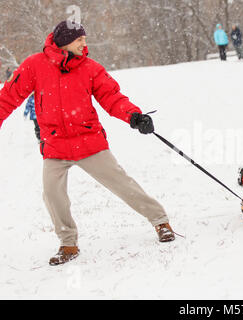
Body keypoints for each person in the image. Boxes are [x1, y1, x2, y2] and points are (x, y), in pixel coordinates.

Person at [0, 20, 175, 266]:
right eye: (79, 39)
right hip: (55, 146)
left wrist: (134, 116)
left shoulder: (90, 68)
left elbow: (112, 97)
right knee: (52, 194)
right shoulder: (34, 66)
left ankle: (160, 221)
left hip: (88, 141)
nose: (85, 43)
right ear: (65, 42)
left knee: (121, 183)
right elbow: (7, 97)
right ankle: (68, 243)